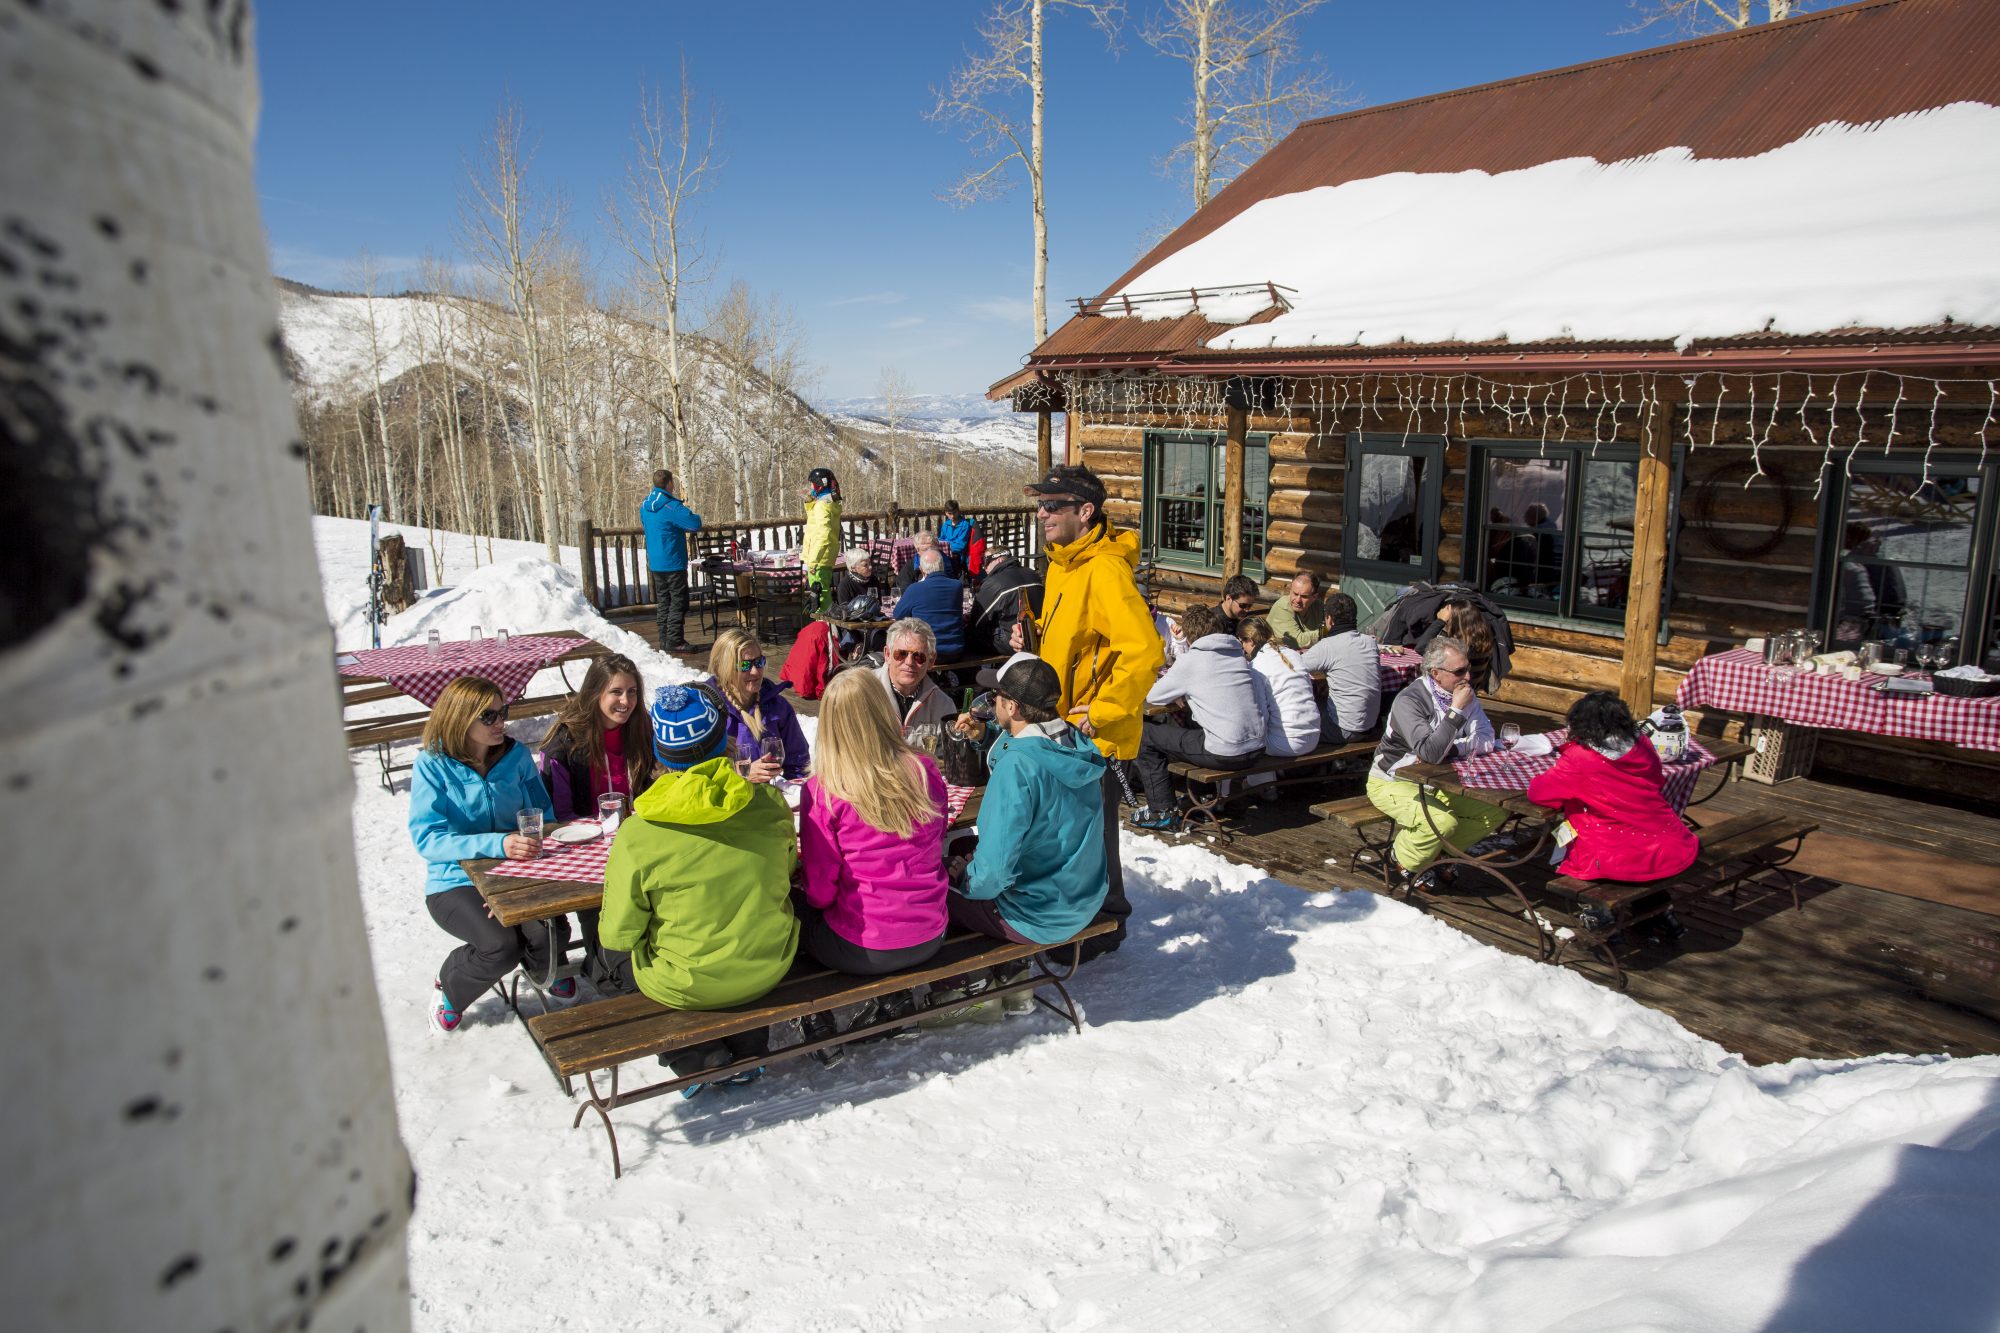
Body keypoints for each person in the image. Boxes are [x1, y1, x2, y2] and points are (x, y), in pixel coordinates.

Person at [597, 683, 799, 1084]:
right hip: (767, 967)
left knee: (608, 960)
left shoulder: (637, 832)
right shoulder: (768, 803)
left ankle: (693, 1056)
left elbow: (618, 934)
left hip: (685, 985)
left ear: (658, 752)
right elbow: (788, 869)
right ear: (720, 741)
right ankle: (747, 1047)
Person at [1011, 463, 1164, 957]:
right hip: (1058, 724)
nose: (1042, 514)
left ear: (1085, 511)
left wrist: (1103, 710)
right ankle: (1083, 919)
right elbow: (1073, 634)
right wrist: (1030, 631)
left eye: (1052, 506)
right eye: (1039, 505)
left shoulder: (1104, 569)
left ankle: (1104, 926)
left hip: (1089, 731)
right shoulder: (1062, 563)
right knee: (1070, 835)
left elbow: (1144, 649)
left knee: (1090, 837)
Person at [795, 669, 952, 1057]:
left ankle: (815, 1014)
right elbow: (938, 835)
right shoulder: (924, 771)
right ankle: (893, 999)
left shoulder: (825, 790)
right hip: (930, 933)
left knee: (791, 910)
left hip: (862, 947)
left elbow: (819, 891)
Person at [408, 675, 571, 1033]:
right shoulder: (433, 765)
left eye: (503, 712)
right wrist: (497, 846)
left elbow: (542, 814)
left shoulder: (515, 757)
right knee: (499, 944)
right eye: (489, 717)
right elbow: (428, 839)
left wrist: (538, 845)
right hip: (454, 879)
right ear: (459, 718)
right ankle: (451, 984)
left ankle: (545, 962)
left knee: (550, 928)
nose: (502, 723)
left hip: (515, 869)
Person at [947, 654, 1108, 949]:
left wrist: (964, 878)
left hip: (1034, 915)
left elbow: (993, 873)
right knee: (961, 848)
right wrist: (987, 735)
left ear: (1012, 706)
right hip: (1081, 897)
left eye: (997, 696)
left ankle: (972, 981)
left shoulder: (1016, 767)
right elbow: (1036, 746)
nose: (992, 701)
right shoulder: (1076, 744)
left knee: (927, 891)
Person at [537, 654, 659, 984]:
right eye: (616, 692)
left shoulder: (643, 731)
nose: (626, 701)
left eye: (632, 692)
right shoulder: (564, 743)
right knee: (605, 921)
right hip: (586, 853)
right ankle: (603, 966)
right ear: (594, 694)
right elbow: (559, 816)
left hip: (639, 843)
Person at [1365, 635, 1507, 887]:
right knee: (1443, 822)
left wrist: (1452, 749)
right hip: (1392, 781)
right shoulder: (1410, 701)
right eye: (1459, 671)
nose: (1467, 677)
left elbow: (1486, 738)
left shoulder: (1463, 694)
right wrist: (1456, 712)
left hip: (1440, 781)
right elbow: (1431, 753)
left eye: (1469, 669)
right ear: (1435, 673)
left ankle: (1441, 854)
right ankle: (1404, 858)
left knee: (1494, 811)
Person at [1525, 691, 1699, 887]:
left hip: (1619, 856)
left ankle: (1598, 913)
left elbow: (1539, 793)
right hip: (1671, 844)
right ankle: (1658, 911)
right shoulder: (1642, 742)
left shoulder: (1581, 758)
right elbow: (1657, 780)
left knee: (1626, 880)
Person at [1129, 604, 1272, 830]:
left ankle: (1161, 810)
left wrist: (1182, 692)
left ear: (1190, 635)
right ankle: (1204, 797)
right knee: (1194, 727)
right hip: (1256, 747)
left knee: (1146, 735)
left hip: (1227, 751)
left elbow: (1155, 696)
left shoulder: (1192, 661)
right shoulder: (1236, 654)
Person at [707, 627, 810, 781]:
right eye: (744, 665)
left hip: (765, 798)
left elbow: (799, 764)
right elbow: (698, 776)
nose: (755, 671)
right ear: (722, 668)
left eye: (759, 662)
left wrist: (795, 791)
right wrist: (742, 774)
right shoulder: (707, 710)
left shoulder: (777, 707)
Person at [1299, 592, 1383, 744]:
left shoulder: (1328, 646)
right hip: (1369, 726)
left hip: (1342, 729)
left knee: (1302, 707)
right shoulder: (1369, 642)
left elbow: (1294, 667)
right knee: (1321, 696)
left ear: (1329, 619)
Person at [640, 469, 702, 653]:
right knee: (678, 601)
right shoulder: (670, 506)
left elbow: (645, 523)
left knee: (664, 601)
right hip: (673, 561)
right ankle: (675, 641)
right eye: (673, 482)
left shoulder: (645, 506)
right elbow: (694, 523)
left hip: (656, 562)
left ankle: (664, 639)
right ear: (668, 483)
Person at [1240, 617, 1321, 757]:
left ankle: (1262, 780)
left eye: (1242, 642)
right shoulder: (1293, 654)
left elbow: (1261, 714)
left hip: (1287, 742)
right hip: (1314, 735)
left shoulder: (1257, 666)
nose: (1243, 648)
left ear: (1250, 641)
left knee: (1245, 746)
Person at [871, 617, 957, 740]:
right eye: (901, 654)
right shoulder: (863, 690)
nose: (909, 662)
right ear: (887, 655)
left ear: (931, 661)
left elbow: (946, 755)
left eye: (918, 656)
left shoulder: (943, 705)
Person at [892, 547, 968, 662]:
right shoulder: (957, 586)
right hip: (955, 650)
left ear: (922, 570)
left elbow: (898, 614)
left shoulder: (915, 588)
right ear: (942, 566)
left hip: (925, 653)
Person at [966, 548, 1042, 657]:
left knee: (971, 634)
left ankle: (973, 673)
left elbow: (976, 621)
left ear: (999, 560)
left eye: (986, 561)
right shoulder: (1033, 574)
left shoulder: (993, 583)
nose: (984, 567)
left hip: (1016, 641)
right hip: (1038, 635)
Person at [1414, 598, 1501, 692]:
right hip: (1471, 690)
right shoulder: (1485, 639)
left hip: (1450, 692)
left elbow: (1421, 648)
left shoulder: (1453, 647)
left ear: (1453, 620)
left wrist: (1440, 620)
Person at [802, 467, 842, 615]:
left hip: (819, 557)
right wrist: (809, 501)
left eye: (812, 484)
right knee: (821, 591)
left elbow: (822, 534)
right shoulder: (827, 502)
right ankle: (825, 627)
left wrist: (813, 560)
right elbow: (815, 519)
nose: (810, 487)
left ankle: (824, 628)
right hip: (825, 555)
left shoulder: (822, 506)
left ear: (819, 484)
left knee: (819, 594)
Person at [1266, 572, 1327, 649]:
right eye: (1295, 594)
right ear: (1290, 591)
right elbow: (1297, 642)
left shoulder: (1318, 606)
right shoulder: (1282, 607)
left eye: (1304, 596)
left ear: (1314, 597)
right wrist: (1325, 631)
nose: (1298, 600)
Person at [937, 500, 977, 578]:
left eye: (954, 513)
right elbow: (941, 540)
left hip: (958, 557)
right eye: (950, 514)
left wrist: (945, 545)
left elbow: (960, 546)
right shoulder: (946, 525)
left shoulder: (965, 525)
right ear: (946, 513)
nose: (952, 516)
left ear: (958, 511)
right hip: (945, 554)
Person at [1216, 574, 1259, 638]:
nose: (1247, 610)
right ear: (1229, 599)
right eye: (1243, 605)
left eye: (1250, 606)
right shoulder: (1211, 622)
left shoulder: (1246, 621)